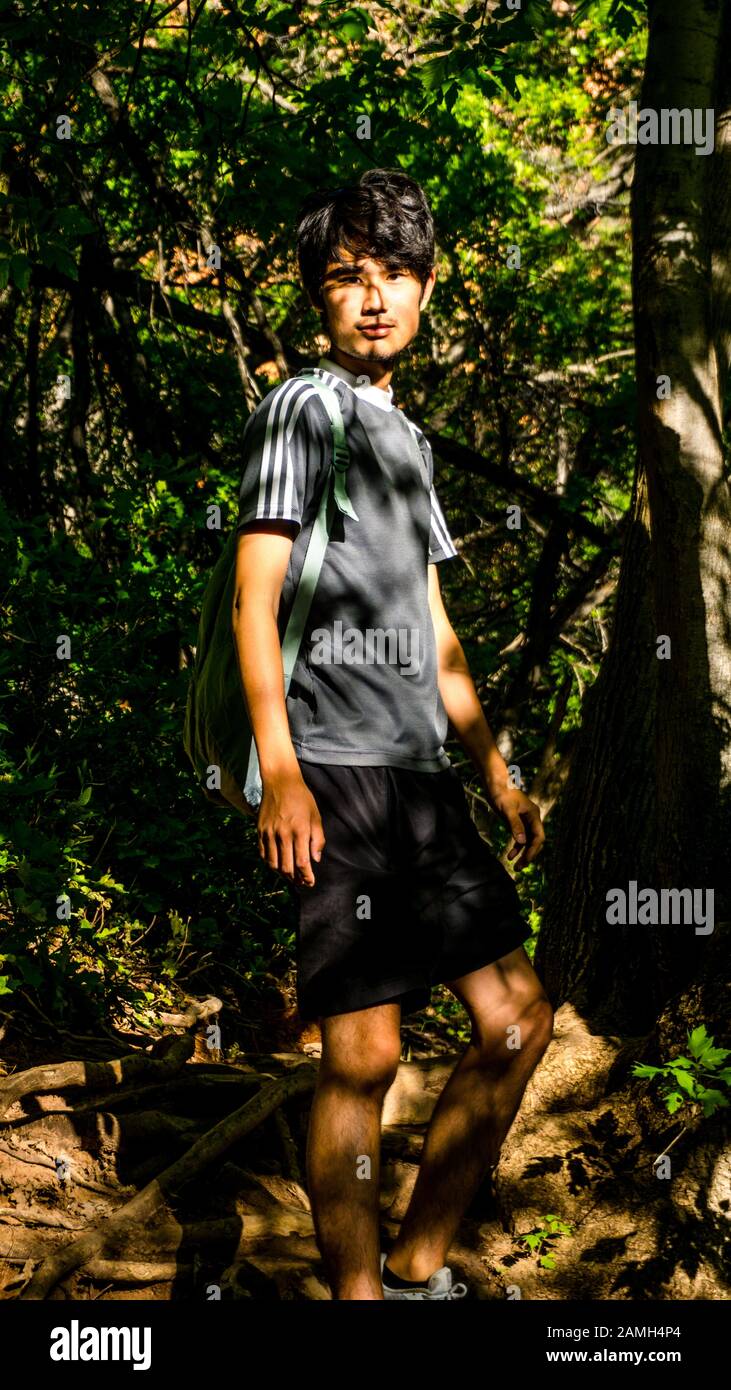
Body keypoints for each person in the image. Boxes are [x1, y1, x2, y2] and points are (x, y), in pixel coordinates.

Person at [232, 169, 553, 1301]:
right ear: (319, 298)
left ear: (426, 286)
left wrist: (496, 773)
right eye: (345, 277)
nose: (372, 297)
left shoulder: (403, 437)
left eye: (393, 274)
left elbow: (433, 625)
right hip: (334, 772)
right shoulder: (302, 409)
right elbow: (253, 595)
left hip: (425, 788)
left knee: (515, 1021)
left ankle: (418, 1264)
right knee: (361, 1055)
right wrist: (280, 770)